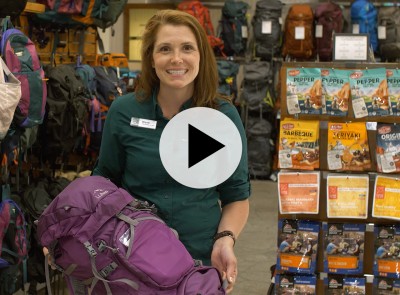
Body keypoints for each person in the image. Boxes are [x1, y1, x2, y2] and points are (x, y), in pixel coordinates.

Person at [91, 9, 250, 293]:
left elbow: (236, 195)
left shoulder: (222, 116)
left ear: (201, 55)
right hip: (131, 262)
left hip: (199, 262)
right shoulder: (124, 111)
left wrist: (225, 239)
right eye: (165, 49)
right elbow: (104, 182)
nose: (177, 59)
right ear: (152, 58)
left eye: (187, 48)